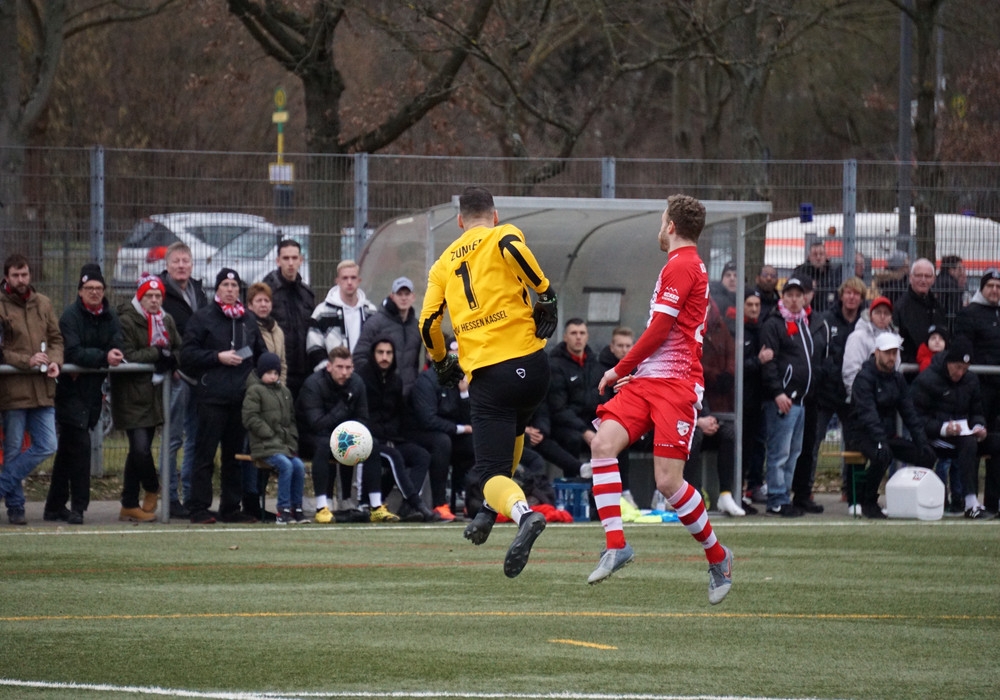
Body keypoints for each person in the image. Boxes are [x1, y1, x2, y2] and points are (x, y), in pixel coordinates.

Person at [583, 194, 733, 604]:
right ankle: (617, 544)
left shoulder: (683, 266)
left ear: (670, 225)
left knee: (668, 482)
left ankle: (719, 556)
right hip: (649, 381)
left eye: (660, 219)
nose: (658, 227)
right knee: (602, 445)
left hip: (676, 384)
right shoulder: (680, 265)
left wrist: (619, 367)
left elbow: (661, 329)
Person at [418, 185, 555, 579]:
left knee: (491, 473)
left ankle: (523, 514)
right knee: (512, 433)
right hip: (534, 367)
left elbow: (428, 324)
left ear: (460, 221)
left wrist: (443, 362)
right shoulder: (503, 234)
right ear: (494, 215)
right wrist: (546, 293)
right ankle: (487, 513)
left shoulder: (444, 263)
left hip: (492, 376)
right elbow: (516, 251)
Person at [181, 267, 267, 524]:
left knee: (234, 457)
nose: (230, 289)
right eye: (225, 285)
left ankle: (231, 507)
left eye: (234, 285)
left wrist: (263, 374)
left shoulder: (248, 320)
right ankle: (198, 507)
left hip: (240, 398)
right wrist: (216, 357)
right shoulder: (203, 318)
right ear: (217, 289)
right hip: (211, 397)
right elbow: (187, 355)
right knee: (205, 454)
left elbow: (260, 352)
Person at [44, 263, 124, 524]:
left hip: (92, 393)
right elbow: (74, 352)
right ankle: (79, 507)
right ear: (80, 291)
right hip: (70, 392)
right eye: (89, 288)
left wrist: (106, 355)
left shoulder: (110, 316)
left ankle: (54, 506)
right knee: (80, 449)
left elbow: (117, 343)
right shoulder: (70, 317)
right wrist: (103, 356)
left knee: (67, 451)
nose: (94, 292)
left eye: (99, 288)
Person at [110, 274, 181, 522]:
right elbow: (128, 353)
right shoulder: (127, 320)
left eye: (158, 296)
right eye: (149, 296)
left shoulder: (167, 320)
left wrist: (172, 359)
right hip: (130, 394)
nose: (154, 300)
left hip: (154, 396)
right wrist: (157, 353)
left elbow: (177, 348)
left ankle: (129, 504)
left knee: (137, 452)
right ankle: (152, 485)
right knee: (140, 449)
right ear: (140, 297)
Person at [792, 276, 865, 513]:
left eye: (857, 294)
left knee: (854, 444)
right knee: (813, 443)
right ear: (842, 295)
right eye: (849, 293)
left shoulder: (864, 323)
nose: (852, 297)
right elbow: (821, 355)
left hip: (853, 394)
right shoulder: (825, 321)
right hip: (825, 394)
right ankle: (806, 489)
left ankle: (851, 491)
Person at [0, 254, 63, 526]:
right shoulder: (1, 306)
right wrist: (26, 361)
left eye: (24, 274)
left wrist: (54, 360)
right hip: (13, 391)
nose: (21, 280)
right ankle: (16, 507)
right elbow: (1, 351)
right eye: (16, 275)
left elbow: (56, 339)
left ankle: (1, 486)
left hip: (42, 389)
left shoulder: (44, 303)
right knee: (13, 449)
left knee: (48, 444)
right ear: (7, 278)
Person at [846, 333, 935, 519]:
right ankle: (867, 500)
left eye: (894, 353)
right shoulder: (864, 378)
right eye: (887, 353)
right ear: (877, 352)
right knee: (882, 456)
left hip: (886, 434)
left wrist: (922, 442)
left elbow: (909, 413)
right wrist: (880, 441)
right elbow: (867, 414)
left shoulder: (897, 379)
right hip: (861, 434)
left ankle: (911, 499)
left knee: (925, 455)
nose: (892, 358)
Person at [297, 346, 391, 523]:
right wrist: (342, 409)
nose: (344, 372)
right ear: (329, 367)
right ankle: (321, 507)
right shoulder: (313, 384)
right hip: (309, 437)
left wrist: (350, 432)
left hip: (342, 436)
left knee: (372, 443)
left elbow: (363, 419)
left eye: (348, 368)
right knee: (324, 445)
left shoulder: (357, 383)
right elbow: (316, 424)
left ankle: (376, 506)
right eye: (339, 367)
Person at [910, 336, 1000, 519]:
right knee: (967, 444)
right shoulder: (927, 380)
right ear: (949, 362)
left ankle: (994, 500)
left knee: (996, 442)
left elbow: (977, 411)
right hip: (936, 438)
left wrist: (978, 426)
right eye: (957, 367)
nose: (960, 373)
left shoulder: (971, 381)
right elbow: (917, 419)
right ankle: (970, 502)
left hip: (964, 435)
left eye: (965, 369)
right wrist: (943, 428)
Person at [356, 337, 438, 522]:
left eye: (389, 353)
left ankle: (407, 507)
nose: (384, 357)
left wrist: (401, 437)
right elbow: (361, 414)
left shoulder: (395, 380)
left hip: (392, 438)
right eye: (380, 352)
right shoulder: (362, 378)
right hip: (370, 441)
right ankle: (417, 503)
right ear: (373, 354)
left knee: (421, 455)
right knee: (394, 457)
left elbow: (400, 414)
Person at [159, 241, 208, 519]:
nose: (181, 266)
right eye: (176, 261)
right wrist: (174, 364)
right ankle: (170, 497)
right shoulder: (160, 294)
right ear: (167, 265)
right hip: (175, 378)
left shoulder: (198, 292)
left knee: (195, 440)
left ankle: (191, 495)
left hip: (197, 377)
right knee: (173, 438)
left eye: (185, 261)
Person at [759, 277, 814, 518]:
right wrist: (777, 392)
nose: (793, 299)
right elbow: (769, 363)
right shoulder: (774, 324)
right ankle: (776, 498)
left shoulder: (804, 322)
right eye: (789, 295)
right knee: (779, 452)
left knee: (794, 452)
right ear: (783, 298)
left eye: (797, 295)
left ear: (804, 298)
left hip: (800, 400)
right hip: (783, 399)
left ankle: (785, 495)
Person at [407, 340, 475, 521]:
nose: (456, 357)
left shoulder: (461, 379)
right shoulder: (427, 380)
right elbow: (427, 419)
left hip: (450, 434)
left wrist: (464, 394)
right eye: (452, 352)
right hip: (421, 434)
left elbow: (468, 419)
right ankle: (439, 504)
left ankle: (470, 500)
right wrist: (459, 428)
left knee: (474, 444)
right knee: (442, 441)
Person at [242, 352, 307, 525]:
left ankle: (297, 507)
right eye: (269, 372)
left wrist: (291, 439)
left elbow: (291, 420)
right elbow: (250, 418)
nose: (273, 376)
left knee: (298, 466)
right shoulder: (254, 391)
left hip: (284, 445)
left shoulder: (285, 392)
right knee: (285, 466)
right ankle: (283, 509)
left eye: (276, 373)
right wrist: (268, 433)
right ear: (261, 372)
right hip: (264, 445)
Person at [354, 276, 424, 398]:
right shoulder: (375, 323)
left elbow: (415, 363)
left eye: (407, 294)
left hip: (409, 396)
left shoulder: (417, 327)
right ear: (392, 296)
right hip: (381, 394)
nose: (403, 298)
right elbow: (359, 357)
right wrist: (377, 380)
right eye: (399, 294)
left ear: (413, 297)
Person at [263, 239, 314, 399]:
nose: (290, 263)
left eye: (294, 258)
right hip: (278, 371)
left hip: (305, 370)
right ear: (278, 261)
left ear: (301, 260)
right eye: (286, 258)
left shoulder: (307, 294)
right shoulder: (267, 293)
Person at [545, 319, 602, 462]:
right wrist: (584, 430)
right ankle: (572, 481)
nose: (578, 337)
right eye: (573, 333)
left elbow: (603, 398)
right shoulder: (555, 365)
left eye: (582, 333)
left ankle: (620, 484)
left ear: (587, 336)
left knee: (618, 438)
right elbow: (558, 408)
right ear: (565, 337)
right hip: (565, 425)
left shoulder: (595, 365)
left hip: (592, 422)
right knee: (573, 439)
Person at [954, 269, 1000, 438]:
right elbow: (963, 347)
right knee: (974, 437)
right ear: (982, 288)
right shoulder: (969, 313)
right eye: (990, 285)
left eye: (998, 286)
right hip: (979, 385)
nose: (995, 290)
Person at [597, 327, 640, 509]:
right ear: (612, 347)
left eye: (628, 346)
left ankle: (661, 496)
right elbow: (599, 401)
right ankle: (622, 493)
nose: (624, 349)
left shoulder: (640, 368)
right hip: (613, 421)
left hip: (640, 422)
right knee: (617, 438)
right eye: (620, 345)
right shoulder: (600, 369)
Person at [306, 259, 378, 368]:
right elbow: (314, 347)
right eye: (345, 278)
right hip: (332, 378)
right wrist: (328, 371)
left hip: (365, 377)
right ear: (337, 281)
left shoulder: (371, 312)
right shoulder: (322, 312)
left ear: (359, 280)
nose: (349, 282)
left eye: (353, 278)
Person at [741, 292, 771, 510]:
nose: (753, 309)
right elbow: (736, 366)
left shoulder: (763, 329)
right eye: (749, 304)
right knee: (742, 447)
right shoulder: (737, 331)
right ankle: (738, 490)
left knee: (757, 445)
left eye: (757, 305)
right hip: (741, 401)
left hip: (758, 400)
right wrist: (757, 361)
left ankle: (753, 485)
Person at [842, 296, 898, 402]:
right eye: (878, 312)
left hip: (888, 398)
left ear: (891, 317)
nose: (882, 316)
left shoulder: (895, 338)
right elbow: (851, 369)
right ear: (870, 315)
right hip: (864, 398)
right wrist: (857, 395)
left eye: (886, 313)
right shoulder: (858, 337)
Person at [893, 258, 947, 366]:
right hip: (910, 368)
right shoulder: (901, 307)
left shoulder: (937, 306)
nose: (923, 280)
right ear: (911, 277)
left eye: (927, 276)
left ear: (933, 279)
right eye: (918, 275)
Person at [247, 282, 287, 384]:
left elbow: (282, 363)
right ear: (250, 305)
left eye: (267, 301)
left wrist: (281, 387)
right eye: (259, 301)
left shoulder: (278, 331)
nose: (263, 304)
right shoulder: (247, 328)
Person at [793, 240, 842, 313]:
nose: (818, 257)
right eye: (815, 254)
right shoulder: (800, 272)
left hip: (830, 313)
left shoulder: (834, 273)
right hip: (806, 313)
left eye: (821, 254)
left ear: (826, 256)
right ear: (809, 257)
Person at [933, 255, 966, 331]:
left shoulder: (937, 281)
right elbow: (956, 310)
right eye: (959, 269)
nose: (961, 272)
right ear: (951, 270)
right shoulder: (953, 286)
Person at [710, 260, 739, 334]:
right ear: (722, 279)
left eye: (736, 275)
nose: (732, 279)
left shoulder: (747, 299)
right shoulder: (714, 300)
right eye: (728, 275)